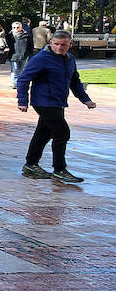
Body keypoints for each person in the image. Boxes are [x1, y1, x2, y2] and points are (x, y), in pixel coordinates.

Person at [17, 29, 97, 183]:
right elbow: (24, 79)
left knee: (43, 133)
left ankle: (30, 164)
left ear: (70, 44)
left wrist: (85, 99)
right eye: (56, 44)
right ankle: (59, 169)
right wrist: (22, 101)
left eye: (64, 45)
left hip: (58, 102)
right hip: (43, 101)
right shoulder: (41, 58)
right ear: (51, 43)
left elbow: (75, 81)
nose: (60, 47)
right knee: (62, 132)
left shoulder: (70, 59)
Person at [9, 20, 34, 88]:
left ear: (21, 27)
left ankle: (20, 82)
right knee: (15, 69)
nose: (16, 29)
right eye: (14, 27)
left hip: (24, 55)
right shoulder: (10, 36)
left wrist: (29, 53)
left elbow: (30, 45)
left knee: (22, 69)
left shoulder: (26, 35)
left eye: (18, 27)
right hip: (14, 55)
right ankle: (14, 82)